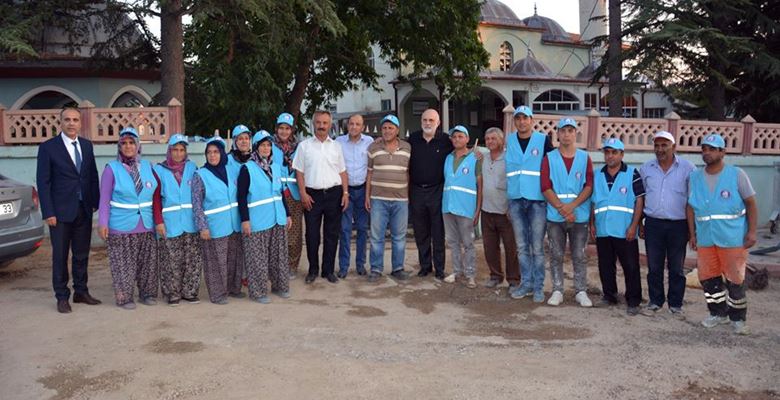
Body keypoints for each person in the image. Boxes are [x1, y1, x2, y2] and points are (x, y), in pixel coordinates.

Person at [687, 133, 757, 335]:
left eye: (711, 149)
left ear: (722, 152)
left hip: (732, 238)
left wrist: (752, 232)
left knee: (735, 279)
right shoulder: (695, 177)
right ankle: (718, 313)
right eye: (704, 149)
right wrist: (692, 234)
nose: (706, 153)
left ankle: (738, 318)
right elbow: (690, 207)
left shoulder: (736, 174)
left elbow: (751, 203)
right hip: (706, 238)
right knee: (708, 278)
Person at [36, 106, 101, 313]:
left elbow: (92, 175)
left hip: (84, 209)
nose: (71, 123)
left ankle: (81, 292)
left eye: (75, 120)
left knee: (81, 254)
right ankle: (62, 296)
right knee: (60, 256)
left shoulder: (87, 146)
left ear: (80, 123)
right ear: (61, 123)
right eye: (67, 120)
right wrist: (48, 212)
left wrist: (95, 202)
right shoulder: (48, 148)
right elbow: (43, 182)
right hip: (60, 212)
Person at [97, 127, 159, 310]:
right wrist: (102, 222)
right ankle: (125, 297)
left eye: (132, 142)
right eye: (124, 143)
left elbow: (155, 193)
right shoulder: (111, 169)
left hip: (146, 224)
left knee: (147, 263)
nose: (128, 146)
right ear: (119, 146)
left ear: (138, 145)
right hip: (121, 225)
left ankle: (147, 293)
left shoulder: (148, 166)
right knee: (124, 264)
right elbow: (104, 199)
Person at [639, 130, 695, 318]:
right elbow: (641, 198)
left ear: (674, 147)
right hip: (653, 224)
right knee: (654, 266)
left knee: (676, 267)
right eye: (657, 145)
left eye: (664, 145)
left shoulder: (688, 169)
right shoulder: (646, 168)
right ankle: (655, 302)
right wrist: (640, 224)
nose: (660, 149)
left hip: (678, 225)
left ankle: (675, 304)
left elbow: (691, 201)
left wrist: (691, 230)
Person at [541, 118, 593, 307]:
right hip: (556, 216)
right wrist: (563, 209)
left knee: (579, 255)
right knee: (556, 254)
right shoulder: (550, 158)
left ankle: (580, 290)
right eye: (563, 131)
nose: (566, 134)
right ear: (558, 134)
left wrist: (571, 207)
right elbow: (545, 186)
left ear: (575, 134)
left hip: (579, 215)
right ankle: (557, 289)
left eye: (570, 130)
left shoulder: (584, 157)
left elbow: (588, 185)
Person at [293, 110, 349, 284]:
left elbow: (343, 172)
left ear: (330, 124)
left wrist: (345, 193)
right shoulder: (304, 146)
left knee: (332, 234)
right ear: (313, 124)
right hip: (312, 195)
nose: (322, 126)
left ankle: (328, 270)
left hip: (334, 193)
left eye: (325, 123)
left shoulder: (336, 146)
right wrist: (303, 193)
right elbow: (299, 172)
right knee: (312, 235)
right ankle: (313, 270)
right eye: (318, 122)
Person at [506, 106, 555, 302]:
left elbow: (553, 166)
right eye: (518, 118)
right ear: (515, 121)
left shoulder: (543, 141)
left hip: (537, 201)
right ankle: (525, 283)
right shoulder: (510, 141)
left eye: (525, 118)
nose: (521, 122)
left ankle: (538, 287)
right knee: (521, 246)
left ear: (531, 120)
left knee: (537, 247)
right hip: (516, 199)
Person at [590, 138, 644, 315]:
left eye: (614, 152)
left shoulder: (632, 173)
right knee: (605, 264)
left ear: (622, 154)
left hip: (624, 229)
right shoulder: (597, 175)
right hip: (603, 228)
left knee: (630, 266)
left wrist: (634, 226)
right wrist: (592, 224)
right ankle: (609, 295)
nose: (610, 156)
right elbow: (593, 201)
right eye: (607, 152)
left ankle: (633, 300)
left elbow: (639, 201)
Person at [237, 131, 291, 303]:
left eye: (268, 145)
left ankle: (280, 286)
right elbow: (241, 196)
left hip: (278, 217)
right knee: (257, 259)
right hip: (257, 221)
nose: (266, 148)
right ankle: (258, 292)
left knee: (279, 256)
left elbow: (280, 192)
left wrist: (287, 214)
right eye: (262, 145)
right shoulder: (247, 168)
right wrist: (245, 220)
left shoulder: (275, 167)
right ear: (256, 148)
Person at [153, 134, 203, 306]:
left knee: (192, 259)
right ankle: (172, 293)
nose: (178, 153)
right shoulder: (159, 170)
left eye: (182, 150)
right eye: (175, 149)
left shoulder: (192, 167)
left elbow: (198, 196)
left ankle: (189, 291)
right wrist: (158, 221)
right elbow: (156, 199)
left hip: (191, 223)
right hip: (170, 223)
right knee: (170, 260)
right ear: (169, 150)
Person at [192, 137, 242, 304]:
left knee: (233, 260)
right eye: (209, 152)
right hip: (214, 227)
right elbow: (197, 204)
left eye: (215, 152)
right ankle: (218, 294)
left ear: (222, 153)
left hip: (234, 224)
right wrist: (202, 226)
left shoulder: (231, 170)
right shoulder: (200, 175)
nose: (212, 156)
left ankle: (233, 289)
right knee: (216, 263)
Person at [365, 115, 412, 283]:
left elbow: (408, 172)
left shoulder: (407, 148)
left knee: (399, 236)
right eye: (384, 128)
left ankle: (398, 268)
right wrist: (367, 196)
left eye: (390, 128)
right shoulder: (373, 148)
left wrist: (408, 195)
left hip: (400, 200)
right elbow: (369, 173)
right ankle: (376, 269)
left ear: (397, 130)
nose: (387, 131)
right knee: (377, 236)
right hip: (378, 199)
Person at [408, 109, 450, 280]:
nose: (427, 123)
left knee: (438, 232)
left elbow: (461, 150)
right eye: (425, 120)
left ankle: (439, 268)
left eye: (431, 120)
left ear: (438, 123)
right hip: (417, 190)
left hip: (437, 190)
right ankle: (425, 266)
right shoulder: (413, 140)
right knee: (421, 231)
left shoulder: (446, 140)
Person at [441, 125, 482, 289]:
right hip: (448, 206)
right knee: (452, 242)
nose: (456, 139)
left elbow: (480, 185)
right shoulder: (448, 158)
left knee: (468, 243)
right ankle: (457, 272)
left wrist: (478, 210)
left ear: (467, 139)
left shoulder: (475, 158)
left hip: (466, 207)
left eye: (460, 136)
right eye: (454, 137)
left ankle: (470, 275)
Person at [480, 127, 520, 289]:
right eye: (487, 139)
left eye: (493, 138)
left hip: (505, 212)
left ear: (501, 141)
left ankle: (514, 279)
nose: (490, 141)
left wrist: (512, 207)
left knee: (511, 248)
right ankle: (495, 276)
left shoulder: (509, 159)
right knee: (490, 247)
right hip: (487, 210)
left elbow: (515, 183)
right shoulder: (483, 158)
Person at [335, 114, 373, 278]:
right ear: (347, 125)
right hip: (345, 191)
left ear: (363, 127)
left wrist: (368, 193)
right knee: (344, 230)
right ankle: (343, 267)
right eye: (351, 124)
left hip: (363, 190)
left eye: (358, 124)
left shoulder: (370, 142)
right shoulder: (338, 143)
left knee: (363, 229)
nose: (354, 127)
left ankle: (360, 265)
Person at [272, 113, 303, 278]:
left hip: (294, 193)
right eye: (281, 128)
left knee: (294, 232)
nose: (284, 132)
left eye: (287, 128)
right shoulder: (269, 145)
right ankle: (277, 264)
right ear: (277, 129)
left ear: (292, 130)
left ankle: (292, 265)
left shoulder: (299, 147)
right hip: (276, 192)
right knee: (278, 230)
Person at [225, 124, 254, 297]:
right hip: (232, 209)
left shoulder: (254, 159)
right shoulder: (227, 160)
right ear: (235, 141)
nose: (243, 142)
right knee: (233, 247)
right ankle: (232, 280)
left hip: (251, 208)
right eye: (240, 139)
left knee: (249, 245)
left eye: (246, 138)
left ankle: (246, 276)